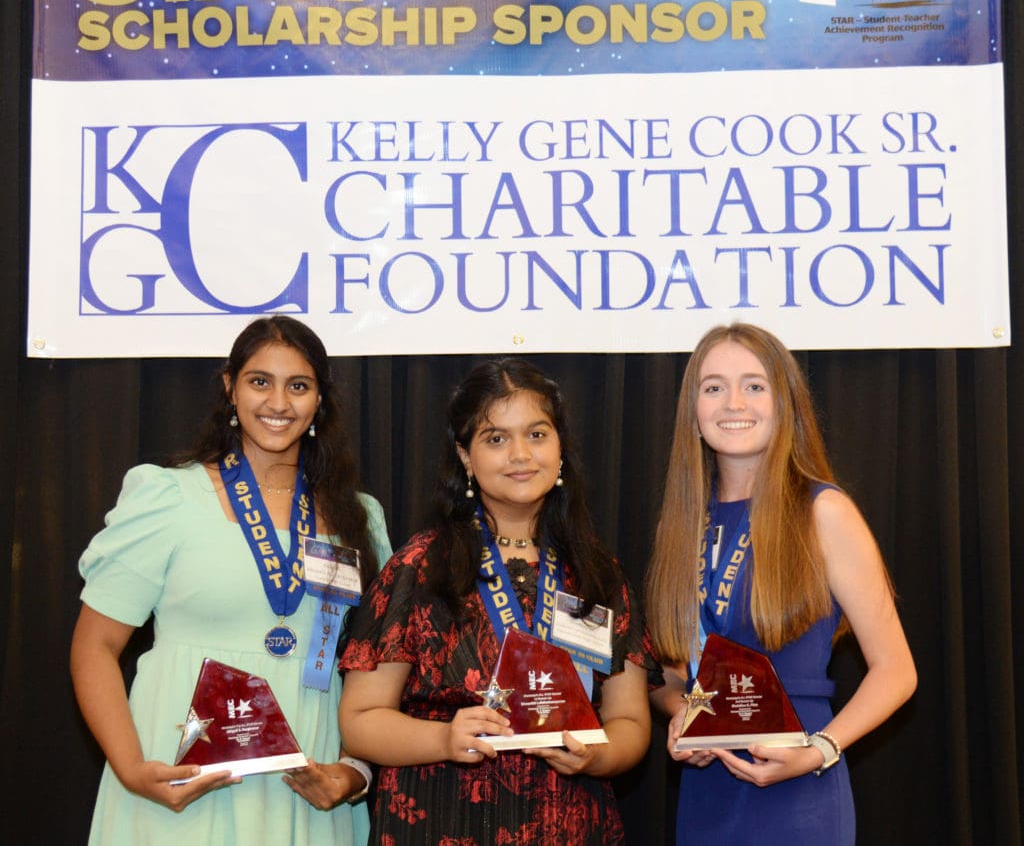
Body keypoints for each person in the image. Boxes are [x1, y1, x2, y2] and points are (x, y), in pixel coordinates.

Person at [70, 315, 391, 845]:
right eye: (260, 381)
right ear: (230, 387)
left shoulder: (360, 517)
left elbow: (377, 668)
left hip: (307, 786)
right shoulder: (168, 497)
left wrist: (355, 770)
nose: (278, 403)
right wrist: (132, 769)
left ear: (320, 400)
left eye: (299, 386)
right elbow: (95, 646)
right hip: (179, 780)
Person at [338, 358, 656, 844]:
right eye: (495, 439)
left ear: (560, 447)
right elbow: (360, 721)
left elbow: (630, 721)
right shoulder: (420, 569)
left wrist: (598, 755)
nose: (520, 455)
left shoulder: (598, 574)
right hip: (442, 822)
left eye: (537, 434)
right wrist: (443, 738)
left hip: (571, 825)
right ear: (465, 456)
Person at [646, 322, 917, 845]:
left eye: (754, 385)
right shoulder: (682, 523)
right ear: (692, 410)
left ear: (784, 402)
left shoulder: (823, 512)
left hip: (799, 788)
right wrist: (683, 716)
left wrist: (819, 750)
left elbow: (897, 671)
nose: (734, 403)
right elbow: (675, 671)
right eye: (713, 387)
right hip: (707, 793)